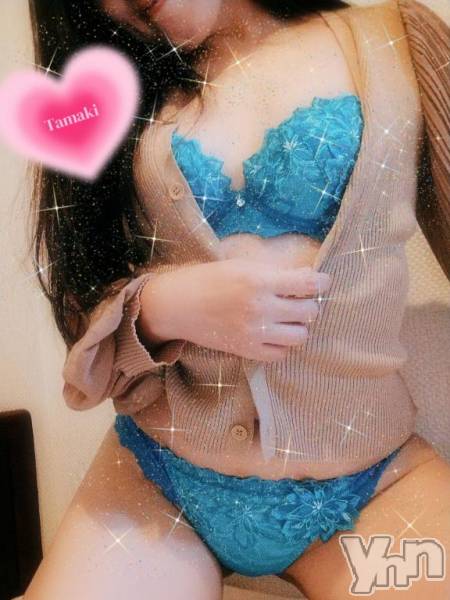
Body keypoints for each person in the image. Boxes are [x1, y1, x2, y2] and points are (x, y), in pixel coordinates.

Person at [24, 0, 450, 598]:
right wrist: (159, 307)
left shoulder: (397, 40)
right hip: (161, 476)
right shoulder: (110, 91)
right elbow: (82, 316)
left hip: (375, 483)